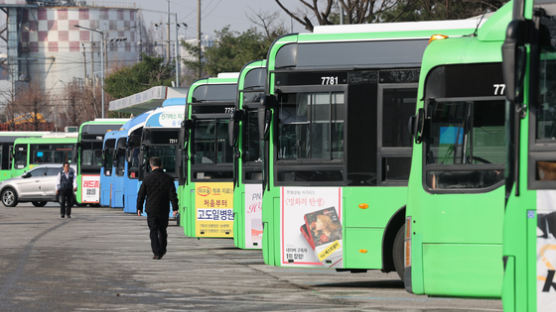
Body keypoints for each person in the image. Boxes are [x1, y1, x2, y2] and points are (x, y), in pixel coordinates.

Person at [137, 157, 179, 260]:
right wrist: (175, 208)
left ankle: (156, 252)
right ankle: (163, 249)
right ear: (161, 165)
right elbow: (172, 195)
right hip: (164, 209)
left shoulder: (147, 178)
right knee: (163, 230)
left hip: (151, 210)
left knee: (153, 231)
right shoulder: (168, 178)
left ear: (151, 166)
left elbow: (141, 194)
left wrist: (139, 208)